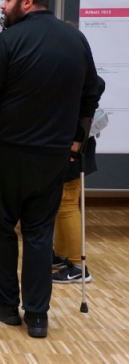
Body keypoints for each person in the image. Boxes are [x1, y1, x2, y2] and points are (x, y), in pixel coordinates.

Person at [0, 0, 100, 338]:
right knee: (40, 232)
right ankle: (38, 316)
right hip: (54, 154)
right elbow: (93, 91)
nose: (2, 5)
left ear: (27, 1)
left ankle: (6, 304)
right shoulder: (76, 39)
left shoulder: (8, 40)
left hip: (10, 152)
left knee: (2, 227)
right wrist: (77, 138)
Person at [53, 77, 105, 283]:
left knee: (67, 204)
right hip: (70, 143)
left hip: (71, 146)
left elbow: (97, 84)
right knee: (63, 203)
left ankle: (77, 266)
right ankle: (61, 255)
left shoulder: (79, 76)